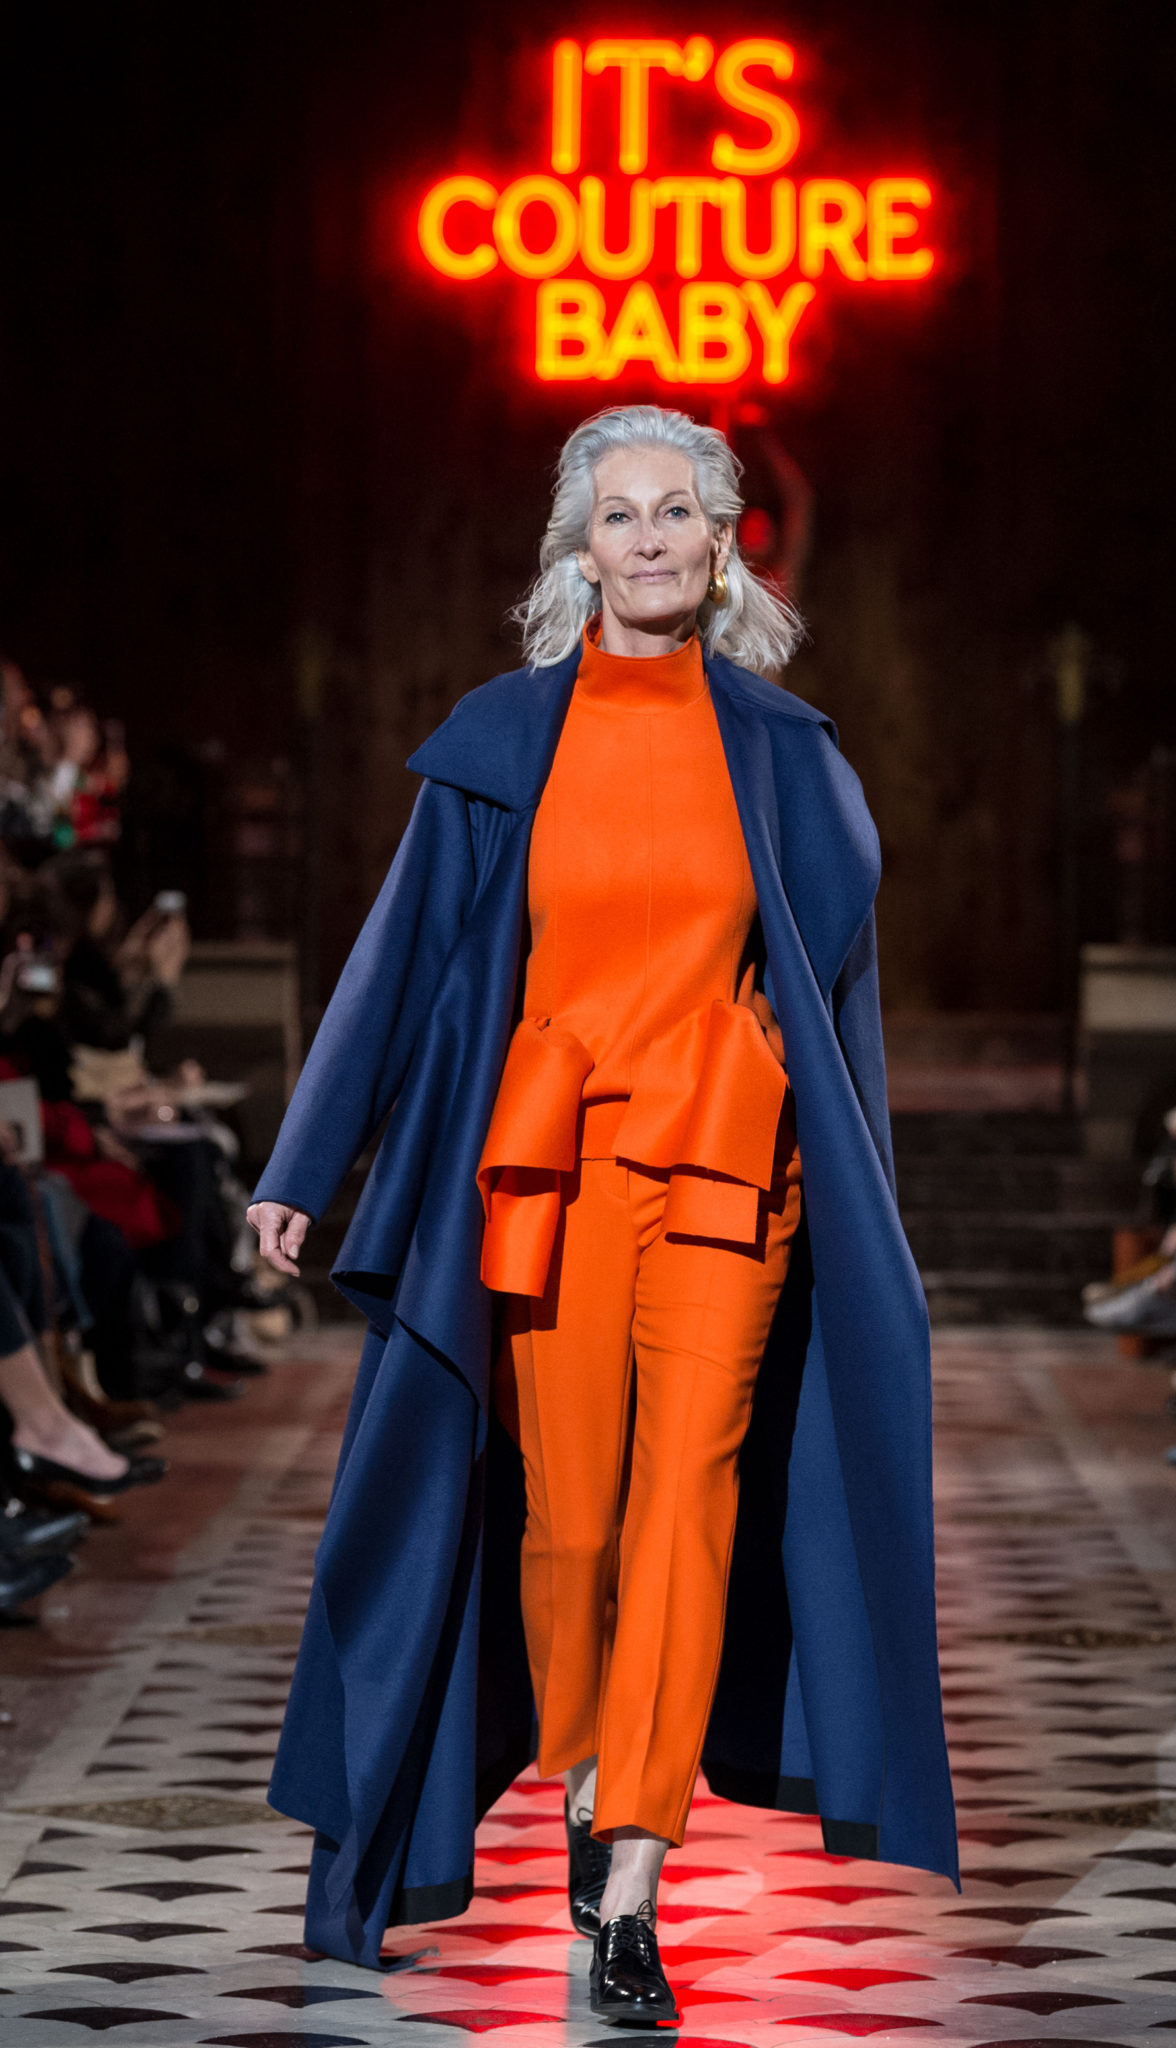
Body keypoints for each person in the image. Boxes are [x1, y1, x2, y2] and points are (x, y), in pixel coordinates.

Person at [247, 404, 957, 2004]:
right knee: (569, 1520)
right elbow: (400, 956)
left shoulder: (786, 750)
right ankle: (586, 1770)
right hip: (550, 1175)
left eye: (677, 510)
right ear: (580, 550)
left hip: (726, 1170)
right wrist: (305, 1160)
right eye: (620, 513)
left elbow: (833, 988)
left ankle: (635, 1864)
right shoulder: (505, 738)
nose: (649, 537)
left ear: (722, 545)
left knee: (689, 1494)